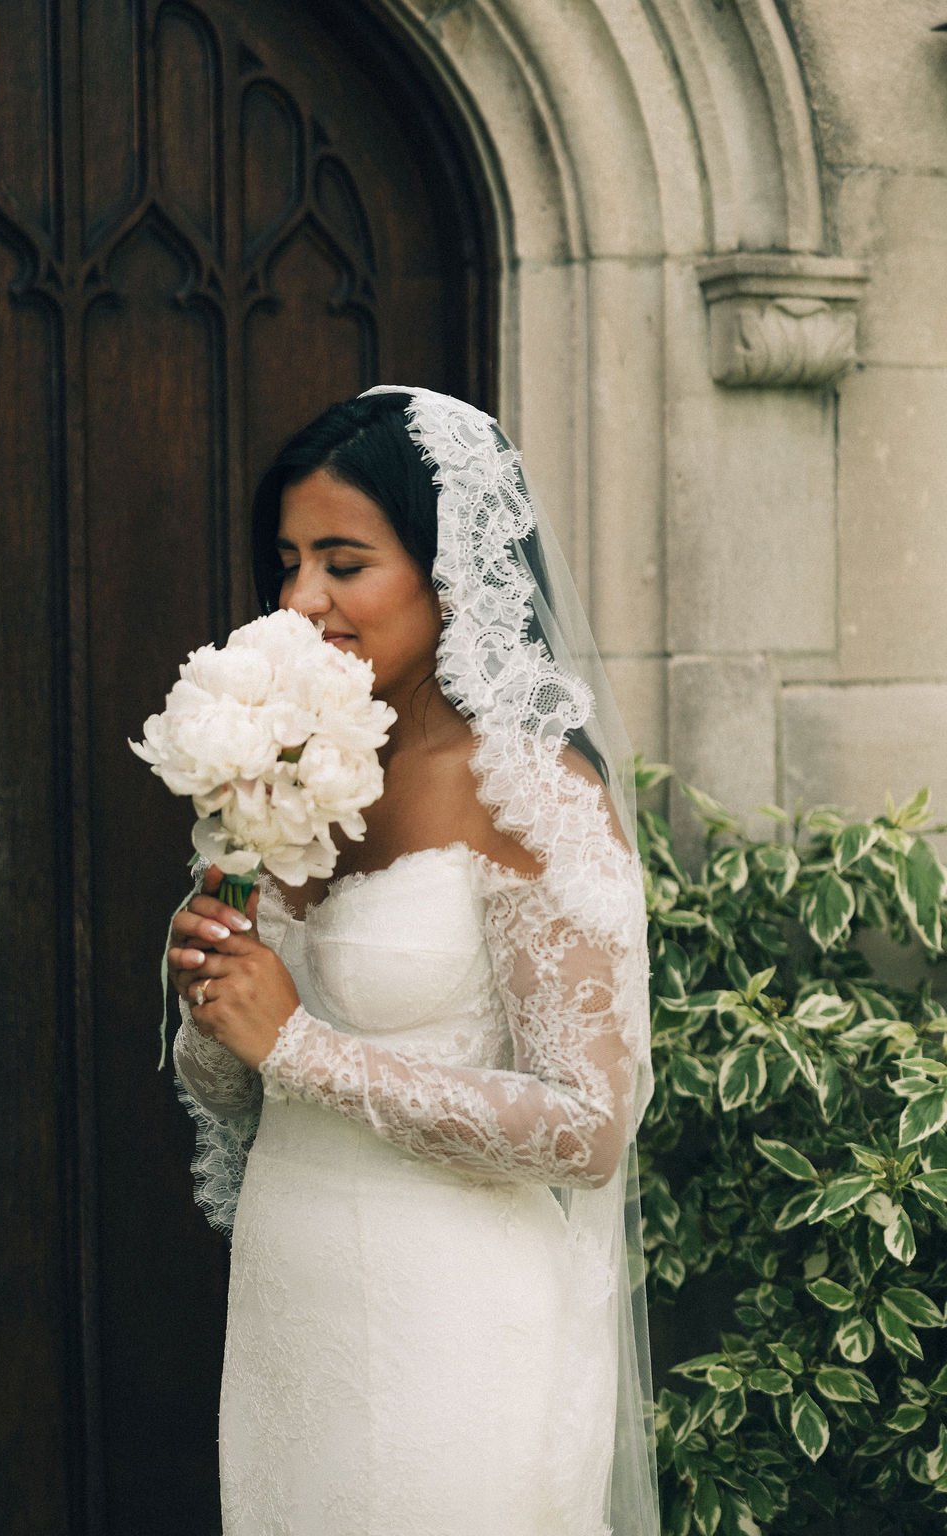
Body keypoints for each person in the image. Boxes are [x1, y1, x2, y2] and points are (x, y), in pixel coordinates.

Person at [166, 387, 659, 1536]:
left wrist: (298, 1046)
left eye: (345, 562)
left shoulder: (534, 794)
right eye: (287, 561)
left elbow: (588, 1127)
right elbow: (229, 1089)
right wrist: (213, 997)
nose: (302, 601)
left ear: (450, 575)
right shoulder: (298, 767)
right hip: (296, 1307)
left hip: (455, 1318)